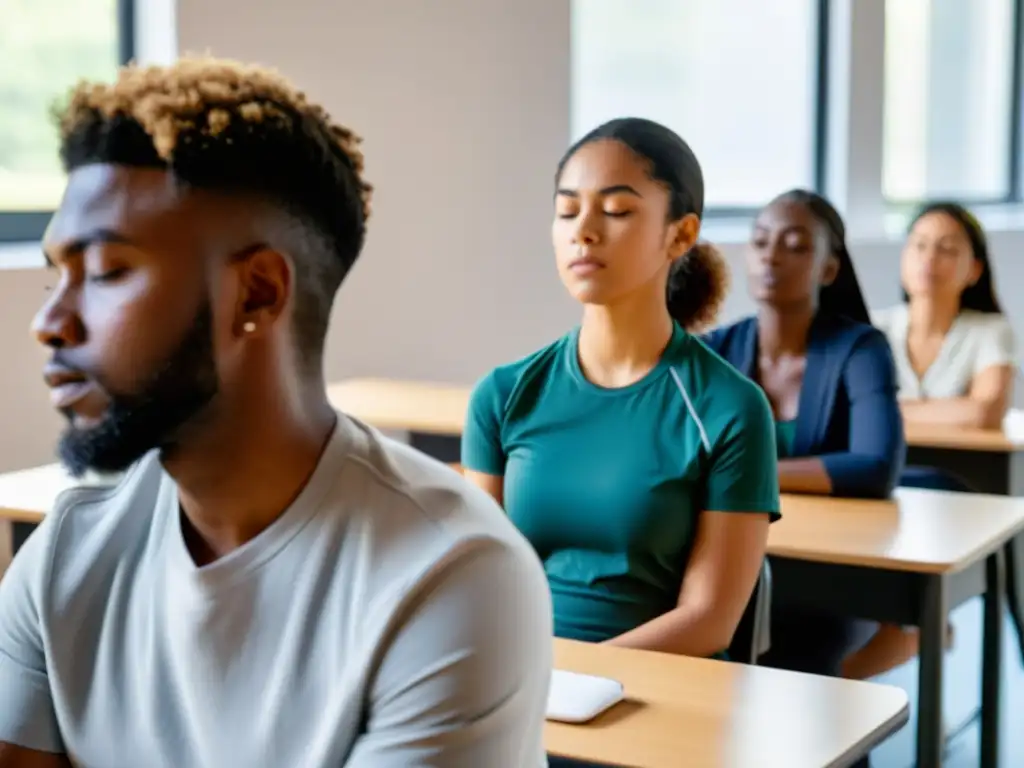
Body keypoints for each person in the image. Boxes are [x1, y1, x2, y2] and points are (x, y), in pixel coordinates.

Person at [0, 58, 552, 768]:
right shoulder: (64, 557)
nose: (50, 321)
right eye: (56, 277)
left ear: (257, 294)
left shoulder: (453, 577)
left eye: (105, 271)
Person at [461, 117, 779, 665]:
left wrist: (562, 675)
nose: (583, 229)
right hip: (519, 692)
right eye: (567, 211)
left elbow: (709, 622)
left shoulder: (729, 408)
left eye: (616, 211)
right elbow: (480, 582)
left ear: (680, 234)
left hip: (657, 700)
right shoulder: (503, 395)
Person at [702, 190, 906, 694]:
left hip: (831, 579)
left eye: (794, 245)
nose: (771, 256)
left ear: (828, 269)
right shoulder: (717, 349)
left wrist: (747, 477)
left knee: (802, 645)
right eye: (760, 242)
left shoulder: (861, 348)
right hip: (733, 562)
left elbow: (875, 466)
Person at [872, 202, 1015, 433]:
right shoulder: (872, 327)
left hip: (959, 466)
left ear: (975, 270)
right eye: (919, 245)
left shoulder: (990, 330)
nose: (929, 258)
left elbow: (984, 413)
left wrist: (881, 410)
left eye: (947, 249)